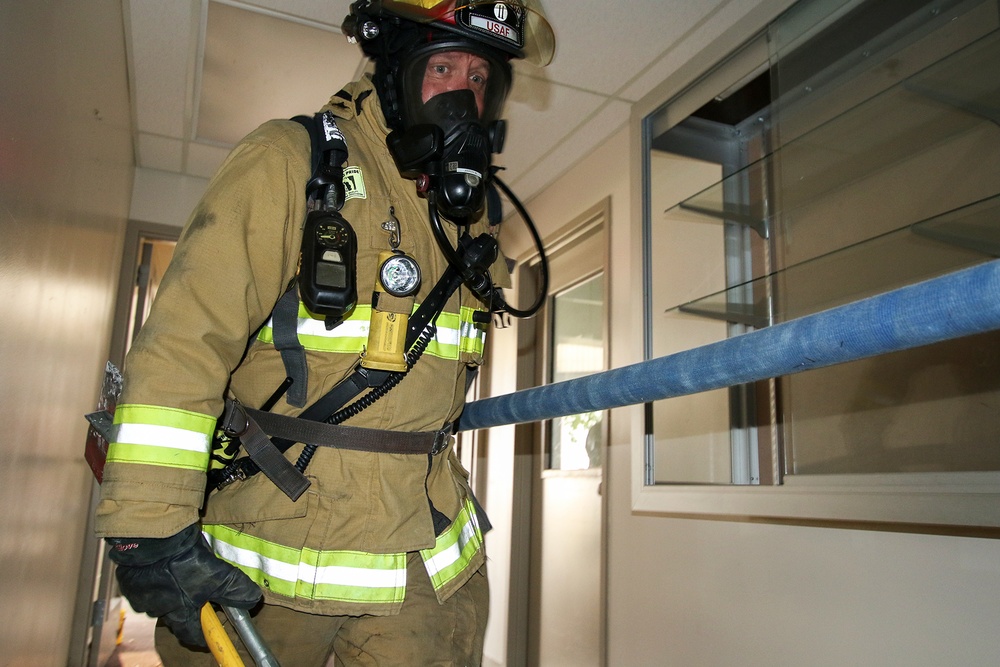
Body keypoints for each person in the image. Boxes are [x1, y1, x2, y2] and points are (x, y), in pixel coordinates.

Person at [93, 1, 555, 665]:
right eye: (444, 67)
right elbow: (182, 345)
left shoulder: (467, 216)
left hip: (423, 563)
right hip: (271, 566)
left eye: (481, 78)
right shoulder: (290, 161)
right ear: (396, 68)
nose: (462, 94)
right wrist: (148, 527)